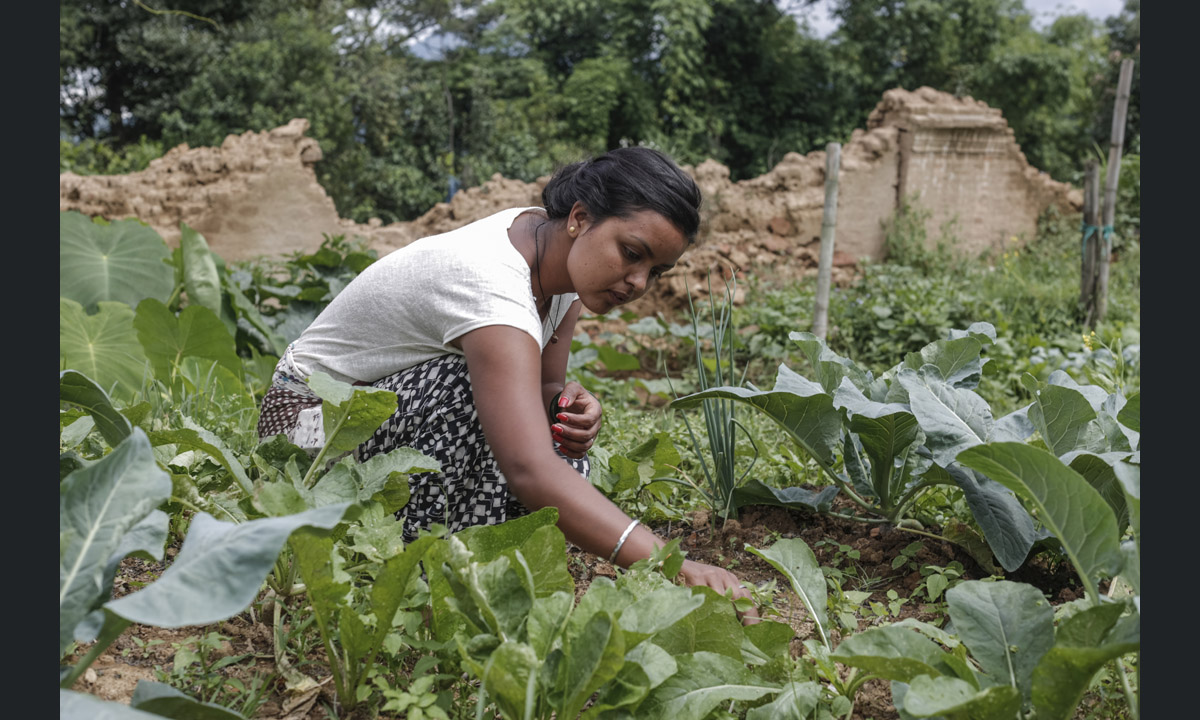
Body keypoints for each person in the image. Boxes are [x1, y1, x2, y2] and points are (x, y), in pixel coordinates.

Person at [257, 146, 758, 622]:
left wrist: (568, 404)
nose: (637, 283)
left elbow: (544, 386)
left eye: (655, 271)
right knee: (465, 390)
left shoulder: (553, 255)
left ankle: (488, 554)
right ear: (580, 217)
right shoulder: (490, 283)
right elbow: (527, 467)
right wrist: (677, 565)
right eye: (632, 253)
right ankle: (427, 558)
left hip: (362, 417)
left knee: (545, 422)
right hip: (303, 433)